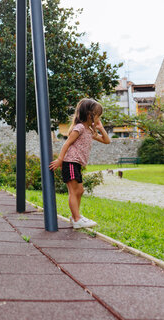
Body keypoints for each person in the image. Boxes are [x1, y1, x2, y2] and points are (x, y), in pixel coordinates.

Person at [49, 98, 111, 229]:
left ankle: (76, 216)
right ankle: (76, 219)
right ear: (90, 115)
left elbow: (106, 141)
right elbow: (67, 143)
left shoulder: (89, 130)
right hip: (70, 162)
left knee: (80, 190)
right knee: (73, 191)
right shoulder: (80, 128)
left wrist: (100, 128)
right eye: (98, 115)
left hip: (76, 164)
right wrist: (60, 160)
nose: (99, 118)